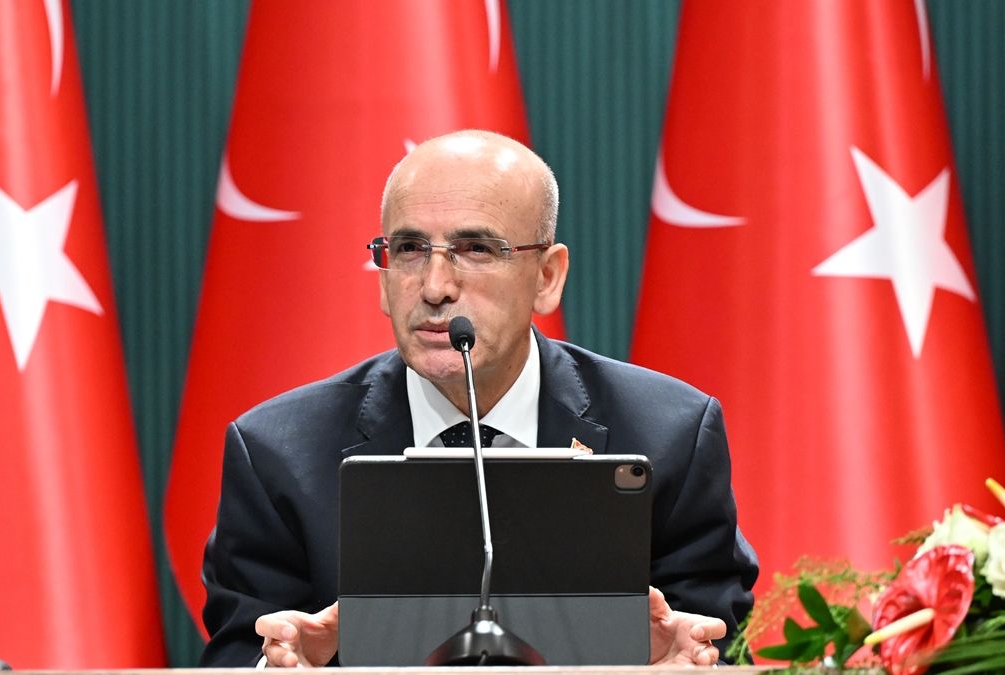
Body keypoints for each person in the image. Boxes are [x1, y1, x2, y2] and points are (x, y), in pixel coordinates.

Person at [200, 130, 759, 667]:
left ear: (547, 276)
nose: (435, 287)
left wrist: (691, 668)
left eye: (475, 249)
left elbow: (721, 645)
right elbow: (237, 655)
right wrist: (281, 670)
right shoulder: (279, 452)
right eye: (409, 249)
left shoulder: (670, 435)